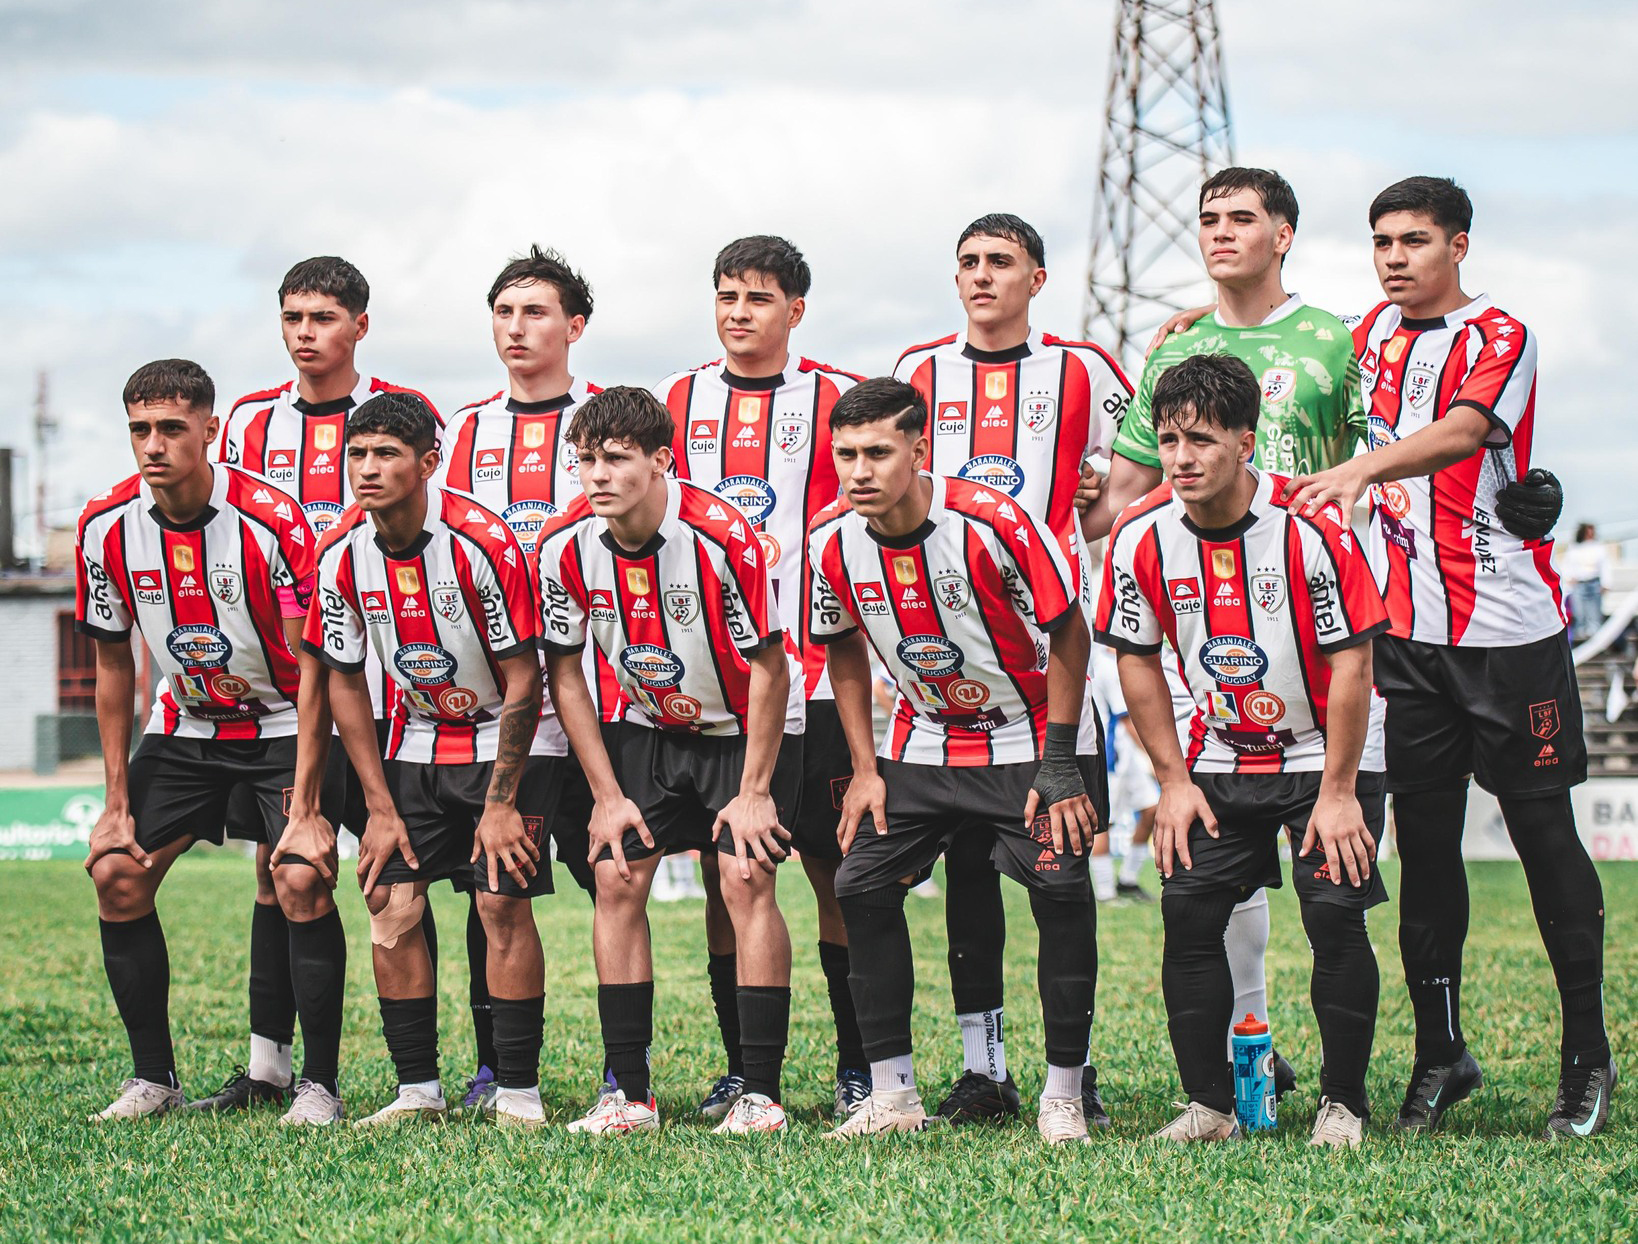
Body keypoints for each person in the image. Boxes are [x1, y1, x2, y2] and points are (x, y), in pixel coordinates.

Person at [1280, 177, 1613, 1138]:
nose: (1393, 258)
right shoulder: (1367, 335)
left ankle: (1586, 1060)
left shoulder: (1502, 333)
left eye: (1414, 241)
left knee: (1545, 838)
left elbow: (1467, 431)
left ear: (1458, 246)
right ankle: (1441, 1054)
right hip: (1405, 638)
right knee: (1425, 850)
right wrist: (1200, 318)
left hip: (1507, 632)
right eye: (1380, 241)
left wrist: (1360, 469)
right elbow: (1283, 343)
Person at [1081, 169, 1363, 1096]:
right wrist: (1096, 507)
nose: (1220, 233)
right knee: (1205, 897)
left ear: (1284, 234)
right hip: (1214, 663)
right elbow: (1119, 503)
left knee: (1332, 905)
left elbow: (1377, 464)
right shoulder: (1177, 348)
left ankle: (1345, 1096)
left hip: (1315, 623)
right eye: (1208, 220)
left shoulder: (1337, 339)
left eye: (1242, 218)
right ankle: (1247, 1052)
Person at [1097, 353, 1391, 1148]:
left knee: (1333, 917)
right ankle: (1211, 1105)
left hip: (1324, 757)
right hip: (1218, 760)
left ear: (1247, 441)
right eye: (1167, 440)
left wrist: (1338, 793)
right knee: (1188, 917)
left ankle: (1343, 1105)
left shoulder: (1314, 528)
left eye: (1201, 439)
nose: (1182, 458)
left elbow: (1353, 664)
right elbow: (1136, 655)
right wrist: (1172, 781)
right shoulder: (1139, 536)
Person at [809, 377, 1106, 1146]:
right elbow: (840, 647)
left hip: (1029, 733)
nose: (860, 471)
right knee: (859, 883)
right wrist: (865, 765)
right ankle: (892, 1093)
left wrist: (1061, 762)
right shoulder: (829, 540)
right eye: (845, 454)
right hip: (923, 739)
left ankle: (1064, 1095)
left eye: (878, 452)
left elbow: (1070, 635)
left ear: (920, 446)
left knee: (1061, 890)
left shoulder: (996, 522)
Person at [892, 212, 1127, 1127]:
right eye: (968, 264)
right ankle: (982, 1070)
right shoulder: (919, 369)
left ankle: (1077, 1071)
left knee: (1061, 877)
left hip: (1055, 657)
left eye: (1001, 263)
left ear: (1038, 277)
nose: (982, 277)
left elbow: (1139, 471)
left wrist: (1101, 502)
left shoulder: (1085, 370)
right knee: (967, 880)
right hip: (951, 663)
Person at [197, 255, 440, 1113]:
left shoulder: (399, 414)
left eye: (324, 318)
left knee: (401, 873)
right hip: (280, 688)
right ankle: (270, 1068)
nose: (307, 334)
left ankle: (447, 1074)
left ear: (358, 327)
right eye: (293, 318)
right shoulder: (251, 421)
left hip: (385, 692)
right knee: (279, 869)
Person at [80, 359, 347, 1125]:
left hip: (282, 723)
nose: (153, 446)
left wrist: (303, 805)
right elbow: (110, 666)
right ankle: (153, 1079)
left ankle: (316, 1085)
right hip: (188, 726)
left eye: (171, 428)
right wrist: (114, 804)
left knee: (296, 876)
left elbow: (312, 665)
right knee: (115, 874)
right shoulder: (105, 526)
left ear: (211, 429)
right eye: (140, 430)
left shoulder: (272, 520)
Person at [537, 386, 800, 1136]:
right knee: (615, 874)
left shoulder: (723, 539)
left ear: (660, 461)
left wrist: (753, 792)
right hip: (646, 728)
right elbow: (566, 672)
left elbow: (771, 671)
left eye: (615, 460)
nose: (596, 475)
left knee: (744, 876)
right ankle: (629, 1093)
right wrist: (604, 794)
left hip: (735, 728)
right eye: (584, 460)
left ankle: (760, 1092)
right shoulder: (563, 545)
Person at [654, 235, 871, 1120]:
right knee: (726, 872)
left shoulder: (833, 397)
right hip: (718, 681)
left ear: (795, 309)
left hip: (812, 672)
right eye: (726, 295)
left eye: (757, 297)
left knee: (832, 868)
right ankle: (745, 1066)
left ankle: (861, 1063)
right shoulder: (680, 398)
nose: (739, 311)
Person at [300, 390, 558, 1127]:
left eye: (386, 454)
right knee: (389, 901)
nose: (367, 469)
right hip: (413, 744)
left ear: (428, 463)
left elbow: (523, 680)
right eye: (356, 454)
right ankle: (418, 1090)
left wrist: (501, 803)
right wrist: (378, 809)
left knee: (500, 901)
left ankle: (518, 1090)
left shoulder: (482, 542)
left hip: (503, 744)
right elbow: (345, 679)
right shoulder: (344, 552)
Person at [434, 245, 607, 1114]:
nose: (516, 328)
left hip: (601, 700)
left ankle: (626, 1071)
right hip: (502, 709)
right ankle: (496, 1064)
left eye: (535, 312)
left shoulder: (609, 425)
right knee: (488, 889)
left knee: (612, 876)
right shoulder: (461, 430)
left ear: (574, 327)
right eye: (504, 312)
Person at [1088, 643, 1157, 903]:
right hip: (1112, 756)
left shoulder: (1116, 659)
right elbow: (1126, 719)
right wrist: (1155, 758)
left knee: (1153, 809)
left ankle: (1128, 879)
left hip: (1127, 755)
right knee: (1105, 822)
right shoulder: (1107, 665)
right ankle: (1105, 892)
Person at [1561, 523, 1608, 645]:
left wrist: (1605, 583)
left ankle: (1595, 636)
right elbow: (1568, 564)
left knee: (1594, 611)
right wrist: (1569, 579)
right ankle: (1581, 635)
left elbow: (1604, 566)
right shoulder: (1575, 548)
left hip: (1594, 582)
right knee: (1579, 611)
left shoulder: (1598, 547)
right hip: (1579, 583)